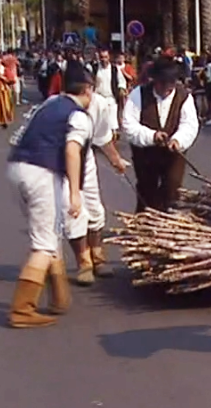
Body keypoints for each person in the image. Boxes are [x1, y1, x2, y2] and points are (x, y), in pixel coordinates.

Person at [5, 61, 95, 328]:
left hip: (16, 167)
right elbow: (71, 151)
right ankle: (22, 309)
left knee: (49, 232)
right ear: (88, 90)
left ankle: (59, 297)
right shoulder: (79, 116)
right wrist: (76, 194)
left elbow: (19, 135)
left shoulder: (48, 104)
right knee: (44, 244)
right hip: (42, 174)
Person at [56, 64, 129, 286]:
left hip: (85, 157)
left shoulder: (99, 104)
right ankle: (84, 262)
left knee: (95, 210)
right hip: (60, 161)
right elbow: (67, 149)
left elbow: (103, 137)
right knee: (74, 212)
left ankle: (98, 256)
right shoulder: (59, 106)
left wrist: (115, 160)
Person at [122, 56, 200, 212]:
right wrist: (152, 136)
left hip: (173, 155)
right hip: (145, 154)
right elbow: (129, 125)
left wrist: (178, 140)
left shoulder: (184, 97)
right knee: (146, 190)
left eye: (171, 84)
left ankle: (167, 226)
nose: (167, 88)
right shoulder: (139, 94)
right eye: (163, 83)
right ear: (154, 80)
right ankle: (143, 226)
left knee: (172, 189)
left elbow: (189, 124)